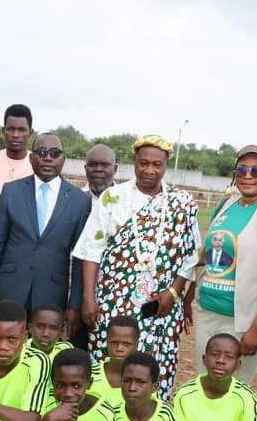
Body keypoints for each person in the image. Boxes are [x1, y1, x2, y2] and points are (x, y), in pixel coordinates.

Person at [74, 135, 200, 399]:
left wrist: (174, 293)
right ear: (134, 163)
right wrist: (88, 299)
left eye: (157, 165)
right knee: (109, 364)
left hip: (161, 304)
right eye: (144, 164)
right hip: (113, 302)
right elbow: (91, 251)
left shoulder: (182, 203)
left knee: (156, 367)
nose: (149, 171)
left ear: (166, 165)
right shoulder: (113, 198)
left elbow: (191, 255)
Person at [191, 145, 257, 385]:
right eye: (242, 169)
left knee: (232, 390)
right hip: (208, 312)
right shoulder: (225, 206)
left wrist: (256, 328)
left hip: (243, 321)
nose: (248, 176)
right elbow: (208, 256)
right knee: (203, 385)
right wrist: (189, 296)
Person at [0, 133, 91, 324]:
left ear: (63, 159)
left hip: (53, 294)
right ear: (31, 158)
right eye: (41, 152)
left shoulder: (79, 201)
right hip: (9, 289)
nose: (48, 157)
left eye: (54, 153)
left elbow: (81, 257)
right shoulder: (11, 191)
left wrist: (74, 305)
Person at [70, 144, 119, 351]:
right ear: (85, 168)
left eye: (104, 164)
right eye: (93, 164)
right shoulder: (72, 201)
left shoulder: (126, 202)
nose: (98, 169)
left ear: (115, 169)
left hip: (114, 297)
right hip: (75, 294)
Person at [88, 316, 140, 408]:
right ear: (107, 342)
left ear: (136, 345)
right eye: (114, 343)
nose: (119, 349)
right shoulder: (90, 374)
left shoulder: (143, 379)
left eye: (126, 344)